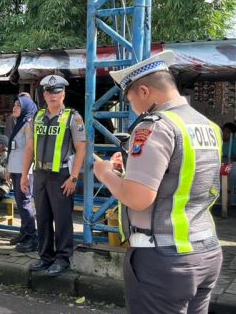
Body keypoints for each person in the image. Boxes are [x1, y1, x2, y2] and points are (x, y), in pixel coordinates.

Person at [93, 51, 223, 314]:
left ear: (144, 91)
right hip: (205, 250)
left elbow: (138, 198)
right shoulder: (207, 125)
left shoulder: (154, 126)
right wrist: (130, 171)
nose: (133, 109)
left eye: (130, 100)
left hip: (164, 258)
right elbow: (179, 178)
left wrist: (105, 173)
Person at [20, 75, 86, 277]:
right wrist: (24, 175)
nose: (51, 95)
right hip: (40, 173)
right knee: (43, 216)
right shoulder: (36, 117)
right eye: (48, 92)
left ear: (63, 94)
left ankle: (63, 258)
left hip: (61, 175)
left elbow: (81, 148)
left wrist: (74, 177)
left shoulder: (73, 117)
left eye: (56, 91)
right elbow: (30, 148)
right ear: (44, 95)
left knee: (63, 218)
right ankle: (46, 256)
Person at [8, 93, 39, 252]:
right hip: (16, 168)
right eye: (14, 105)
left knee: (25, 203)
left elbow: (30, 148)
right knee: (20, 203)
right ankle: (24, 233)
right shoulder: (19, 122)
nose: (15, 108)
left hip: (24, 169)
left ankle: (32, 238)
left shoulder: (28, 123)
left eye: (18, 105)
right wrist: (9, 169)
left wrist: (25, 173)